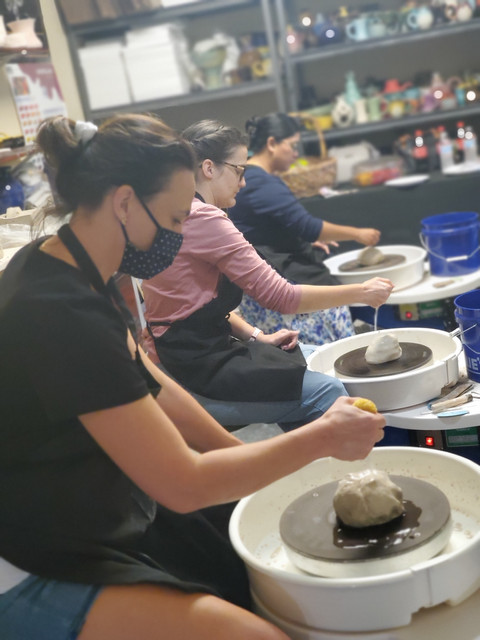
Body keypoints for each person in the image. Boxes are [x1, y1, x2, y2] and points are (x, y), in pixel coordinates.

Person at [0, 113, 387, 640]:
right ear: (124, 202)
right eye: (176, 218)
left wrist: (237, 455)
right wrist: (322, 439)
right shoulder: (58, 310)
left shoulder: (67, 264)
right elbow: (184, 484)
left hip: (83, 497)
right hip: (28, 553)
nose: (180, 234)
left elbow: (153, 383)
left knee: (234, 553)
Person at [142, 119, 393, 431]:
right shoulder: (203, 218)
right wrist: (361, 292)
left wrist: (258, 336)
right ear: (209, 168)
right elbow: (282, 297)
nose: (244, 182)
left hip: (189, 352)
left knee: (320, 356)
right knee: (328, 389)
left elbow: (193, 310)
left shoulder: (175, 211)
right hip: (194, 367)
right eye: (239, 170)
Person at [228, 112, 382, 344]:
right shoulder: (260, 182)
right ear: (272, 143)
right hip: (284, 285)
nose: (296, 153)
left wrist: (298, 238)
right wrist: (358, 234)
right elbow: (309, 227)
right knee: (333, 354)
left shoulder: (253, 179)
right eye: (292, 145)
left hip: (262, 287)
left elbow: (263, 228)